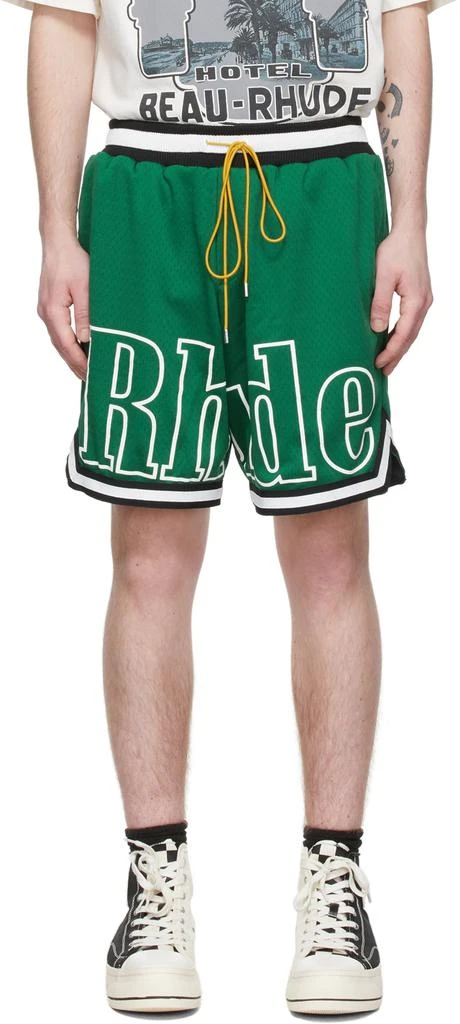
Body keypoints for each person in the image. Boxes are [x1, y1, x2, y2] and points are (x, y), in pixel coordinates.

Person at [1, 0, 453, 1015]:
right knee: (149, 554)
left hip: (323, 181)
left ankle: (335, 880)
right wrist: (54, 230)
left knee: (330, 550)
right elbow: (64, 18)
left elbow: (401, 17)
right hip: (148, 183)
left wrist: (413, 221)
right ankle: (153, 886)